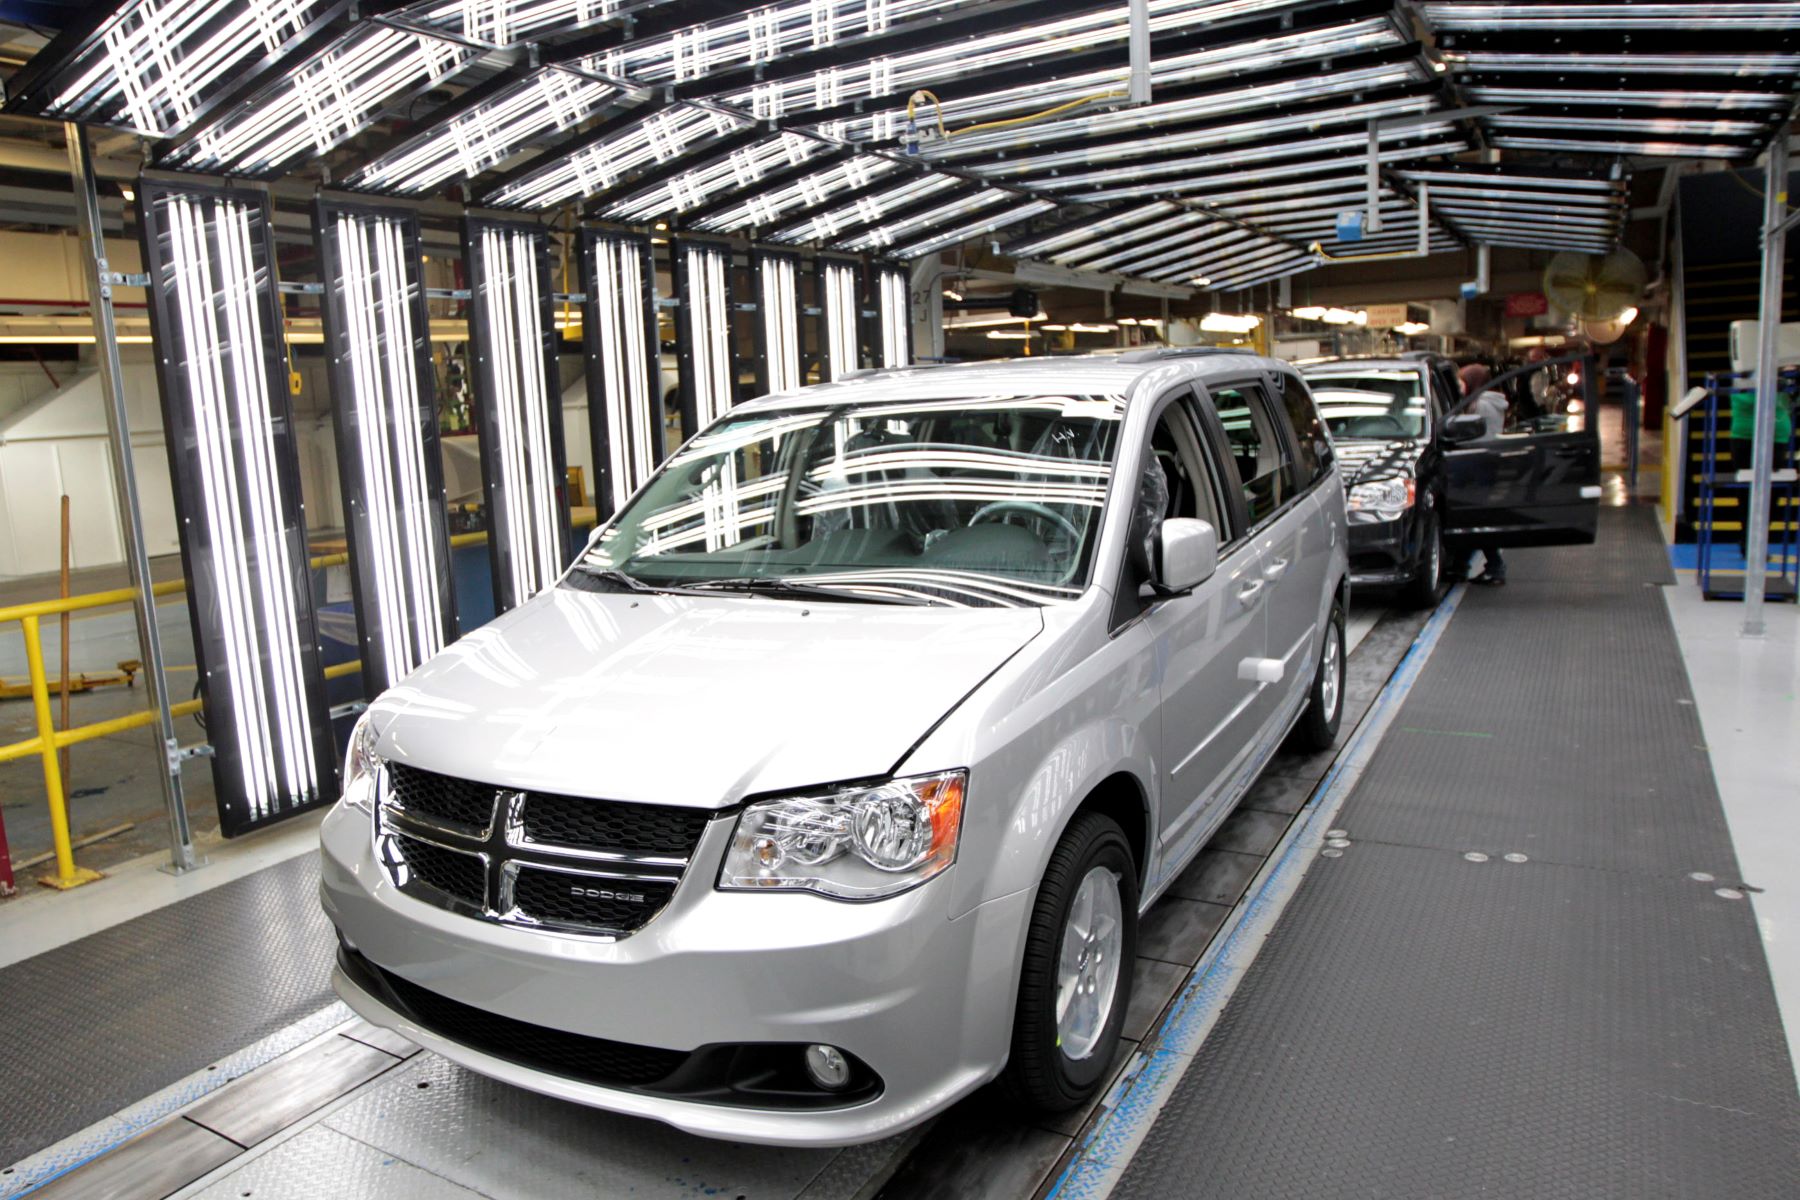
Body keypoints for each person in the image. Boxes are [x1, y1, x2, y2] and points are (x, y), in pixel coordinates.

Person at [1457, 362, 1509, 586]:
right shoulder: (1489, 402)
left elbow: (1471, 437)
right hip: (1485, 465)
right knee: (1471, 518)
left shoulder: (1482, 406)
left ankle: (1495, 566)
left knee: (1474, 518)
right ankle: (1460, 565)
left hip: (1478, 466)